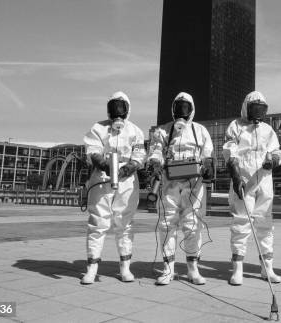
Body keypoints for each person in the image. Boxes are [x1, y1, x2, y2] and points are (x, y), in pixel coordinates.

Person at [149, 92, 214, 285]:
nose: (182, 112)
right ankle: (168, 268)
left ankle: (192, 268)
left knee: (193, 225)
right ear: (173, 109)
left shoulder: (200, 130)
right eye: (179, 107)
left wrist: (208, 165)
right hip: (169, 184)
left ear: (192, 110)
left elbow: (208, 153)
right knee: (167, 224)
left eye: (186, 108)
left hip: (193, 185)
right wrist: (155, 164)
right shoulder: (163, 131)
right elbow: (155, 152)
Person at [81, 91, 145, 284]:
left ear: (128, 109)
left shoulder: (135, 131)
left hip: (127, 180)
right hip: (102, 177)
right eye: (114, 106)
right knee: (98, 223)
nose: (118, 111)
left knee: (124, 223)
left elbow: (140, 154)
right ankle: (92, 268)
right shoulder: (98, 128)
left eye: (121, 106)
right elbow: (92, 150)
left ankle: (125, 267)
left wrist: (131, 167)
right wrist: (103, 164)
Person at [223, 91, 281, 285]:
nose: (258, 112)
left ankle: (268, 269)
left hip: (264, 180)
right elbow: (229, 152)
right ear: (246, 108)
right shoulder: (236, 126)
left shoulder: (268, 129)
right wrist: (235, 176)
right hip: (244, 179)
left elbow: (276, 151)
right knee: (241, 224)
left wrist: (273, 161)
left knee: (266, 223)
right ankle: (237, 269)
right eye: (254, 108)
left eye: (261, 109)